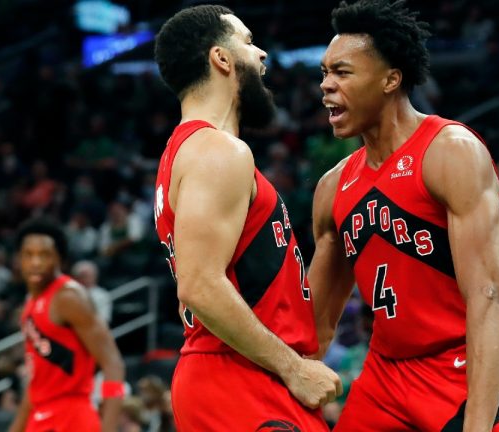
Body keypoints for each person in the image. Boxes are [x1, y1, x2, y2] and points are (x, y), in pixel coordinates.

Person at [310, 1, 499, 430]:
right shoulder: (332, 187)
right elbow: (316, 326)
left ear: (391, 79)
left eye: (342, 72)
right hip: (385, 376)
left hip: (461, 365)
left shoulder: (450, 152)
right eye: (324, 73)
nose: (326, 86)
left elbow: (490, 298)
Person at [152, 5, 341, 430]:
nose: (262, 55)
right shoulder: (217, 150)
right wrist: (293, 367)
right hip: (240, 380)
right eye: (249, 42)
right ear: (221, 58)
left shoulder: (182, 154)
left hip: (233, 375)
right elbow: (199, 284)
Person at [8, 219, 125, 432]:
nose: (36, 262)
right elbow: (36, 382)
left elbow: (113, 362)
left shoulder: (69, 297)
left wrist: (108, 427)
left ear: (59, 259)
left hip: (71, 415)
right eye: (29, 255)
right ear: (18, 260)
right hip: (40, 415)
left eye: (44, 255)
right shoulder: (30, 305)